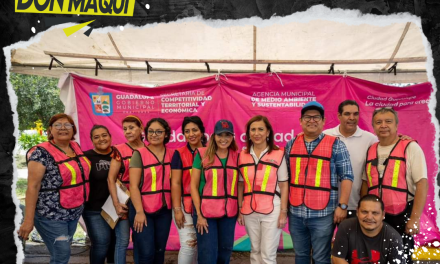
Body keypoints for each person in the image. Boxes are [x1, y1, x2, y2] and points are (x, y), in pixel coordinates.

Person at [285, 101, 354, 264]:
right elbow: (286, 178)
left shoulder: (336, 145)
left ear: (323, 121)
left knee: (321, 258)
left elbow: (347, 177)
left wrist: (343, 206)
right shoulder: (291, 144)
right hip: (295, 213)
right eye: (307, 117)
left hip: (323, 215)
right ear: (301, 121)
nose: (312, 120)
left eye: (316, 117)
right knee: (300, 256)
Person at [18, 113, 91, 264]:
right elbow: (33, 186)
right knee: (61, 255)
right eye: (58, 125)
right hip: (51, 215)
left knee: (62, 252)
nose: (63, 128)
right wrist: (28, 220)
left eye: (67, 125)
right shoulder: (41, 153)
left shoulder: (75, 147)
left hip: (73, 212)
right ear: (50, 130)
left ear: (73, 129)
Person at [361, 107, 428, 264]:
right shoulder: (371, 150)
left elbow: (422, 184)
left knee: (401, 259)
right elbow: (366, 183)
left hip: (402, 215)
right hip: (375, 217)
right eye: (379, 122)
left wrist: (415, 219)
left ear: (396, 125)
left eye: (388, 121)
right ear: (373, 126)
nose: (383, 125)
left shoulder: (410, 148)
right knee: (375, 258)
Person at [237, 115, 289, 264]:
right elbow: (241, 184)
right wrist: (240, 209)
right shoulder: (242, 155)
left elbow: (284, 185)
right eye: (253, 129)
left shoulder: (278, 153)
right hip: (249, 210)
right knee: (255, 251)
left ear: (268, 133)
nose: (256, 133)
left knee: (267, 255)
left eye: (261, 129)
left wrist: (283, 212)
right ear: (248, 133)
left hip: (273, 210)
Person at [190, 119, 239, 264]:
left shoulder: (237, 156)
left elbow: (241, 184)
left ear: (232, 137)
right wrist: (199, 214)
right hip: (206, 213)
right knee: (207, 253)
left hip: (228, 213)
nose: (223, 139)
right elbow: (193, 186)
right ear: (213, 136)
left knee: (225, 251)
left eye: (227, 135)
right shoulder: (202, 154)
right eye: (220, 135)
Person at [129, 117, 173, 264]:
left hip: (164, 210)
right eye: (151, 131)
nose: (154, 134)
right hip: (142, 210)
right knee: (146, 254)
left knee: (160, 251)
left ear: (166, 134)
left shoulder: (173, 154)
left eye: (159, 131)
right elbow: (133, 186)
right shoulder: (139, 154)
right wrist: (139, 212)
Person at [323, 100, 377, 218]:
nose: (352, 118)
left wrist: (401, 138)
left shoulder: (370, 140)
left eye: (355, 114)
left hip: (355, 206)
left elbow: (388, 145)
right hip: (326, 205)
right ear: (339, 116)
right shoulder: (324, 136)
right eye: (347, 114)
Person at [108, 115, 146, 264]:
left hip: (143, 201)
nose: (128, 132)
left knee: (139, 239)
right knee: (123, 240)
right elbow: (110, 179)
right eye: (125, 129)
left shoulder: (150, 149)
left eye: (132, 128)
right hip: (124, 200)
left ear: (141, 128)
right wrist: (116, 203)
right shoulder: (119, 150)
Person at [171, 116, 207, 264]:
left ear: (202, 131)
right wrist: (177, 209)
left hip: (207, 205)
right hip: (184, 205)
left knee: (202, 247)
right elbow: (176, 183)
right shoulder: (178, 154)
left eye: (194, 130)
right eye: (187, 131)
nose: (191, 134)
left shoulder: (210, 151)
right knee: (188, 245)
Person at [332, 194, 404, 264]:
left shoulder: (394, 238)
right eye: (364, 212)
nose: (369, 217)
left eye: (375, 213)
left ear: (383, 215)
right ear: (357, 212)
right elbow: (337, 258)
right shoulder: (346, 226)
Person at [82, 125, 117, 264]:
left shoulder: (118, 154)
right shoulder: (86, 157)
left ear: (110, 136)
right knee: (101, 244)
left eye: (104, 135)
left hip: (117, 208)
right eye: (96, 137)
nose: (101, 139)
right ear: (91, 140)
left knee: (115, 244)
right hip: (94, 209)